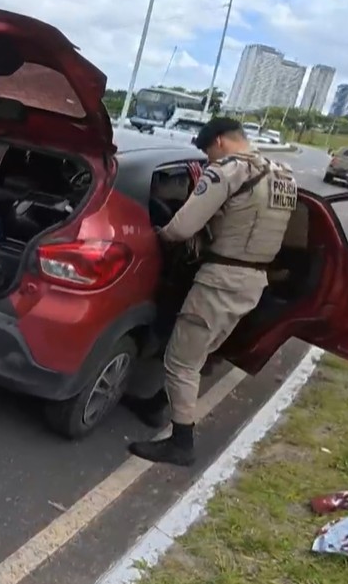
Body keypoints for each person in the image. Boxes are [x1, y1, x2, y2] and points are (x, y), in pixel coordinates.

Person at [124, 117, 299, 467]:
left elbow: (183, 227)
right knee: (201, 351)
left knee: (181, 360)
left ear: (218, 141)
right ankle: (158, 403)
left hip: (221, 279)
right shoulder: (282, 175)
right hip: (253, 282)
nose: (209, 159)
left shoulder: (229, 171)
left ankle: (181, 442)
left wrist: (157, 235)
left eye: (208, 152)